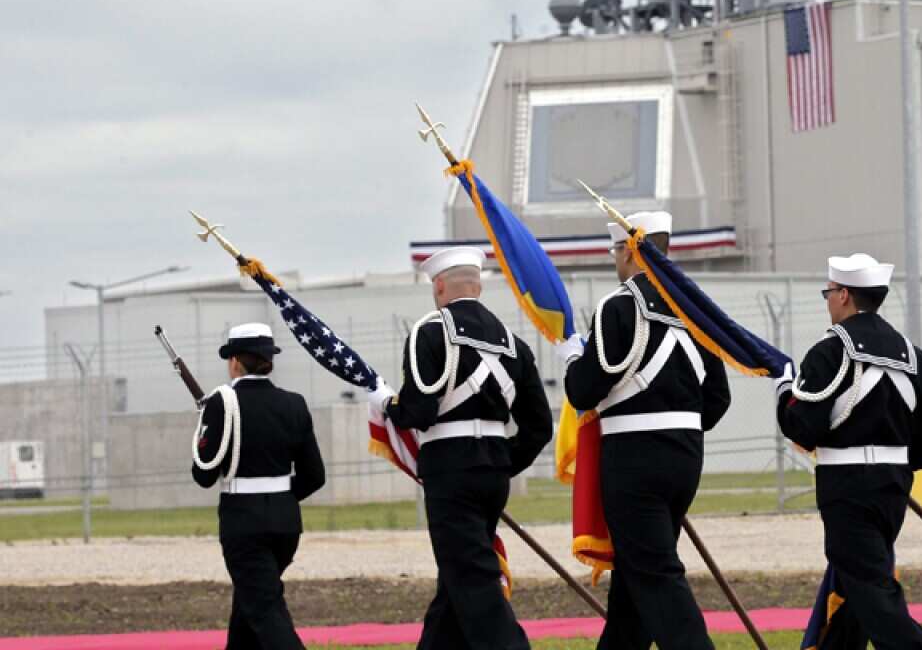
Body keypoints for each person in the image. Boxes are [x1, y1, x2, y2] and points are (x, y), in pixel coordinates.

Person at [561, 211, 731, 650]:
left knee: (656, 575)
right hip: (686, 455)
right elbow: (718, 398)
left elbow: (585, 390)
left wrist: (571, 361)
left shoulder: (618, 307)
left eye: (617, 250)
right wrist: (681, 427)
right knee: (634, 583)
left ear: (629, 250)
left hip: (634, 459)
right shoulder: (694, 308)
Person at [368, 246, 553, 650]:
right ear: (477, 286)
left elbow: (419, 410)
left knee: (474, 581)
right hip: (493, 471)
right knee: (455, 585)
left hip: (451, 472)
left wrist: (385, 406)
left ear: (438, 287)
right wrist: (502, 463)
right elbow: (539, 427)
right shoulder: (514, 344)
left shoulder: (429, 332)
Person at [775, 254, 922, 649]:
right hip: (892, 486)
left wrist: (782, 393)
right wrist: (897, 463)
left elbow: (805, 424)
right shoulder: (914, 357)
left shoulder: (829, 352)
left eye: (829, 292)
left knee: (870, 587)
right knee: (856, 585)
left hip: (847, 486)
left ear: (843, 295)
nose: (828, 300)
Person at [192, 322, 326, 650]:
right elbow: (315, 475)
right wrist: (278, 497)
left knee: (266, 612)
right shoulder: (294, 404)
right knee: (249, 608)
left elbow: (204, 474)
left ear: (235, 361)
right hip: (285, 523)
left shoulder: (222, 403)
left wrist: (206, 427)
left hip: (244, 524)